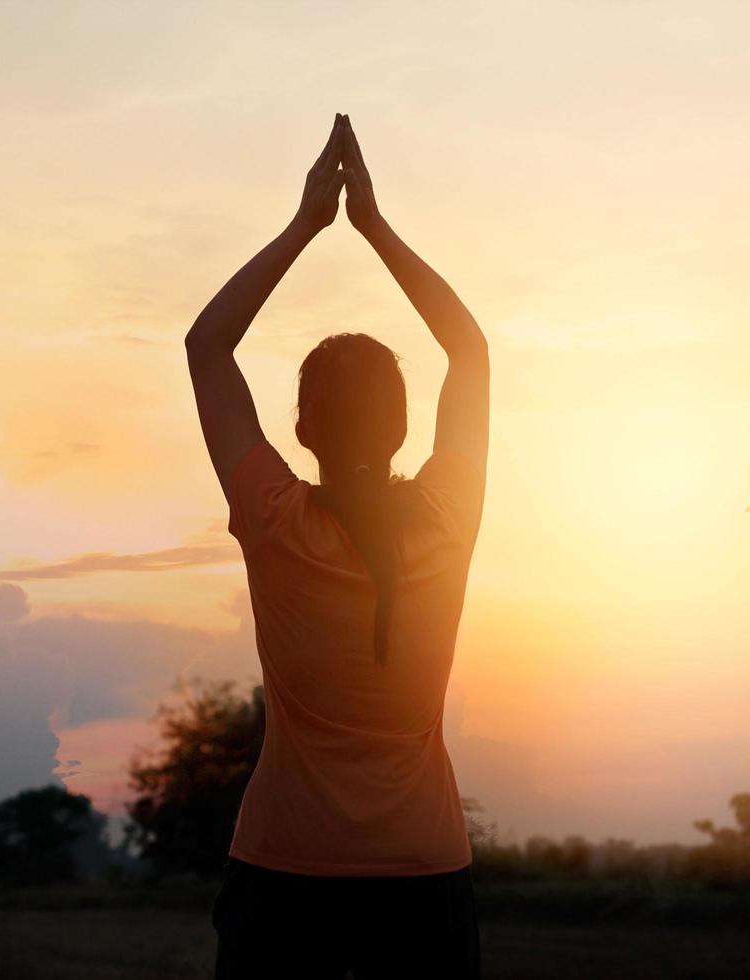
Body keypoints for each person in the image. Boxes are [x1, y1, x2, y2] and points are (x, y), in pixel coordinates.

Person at [185, 113, 488, 978]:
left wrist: (307, 225)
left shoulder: (277, 519)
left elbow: (208, 346)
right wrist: (374, 227)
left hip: (284, 877)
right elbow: (469, 351)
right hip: (425, 879)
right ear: (403, 427)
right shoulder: (447, 518)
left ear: (302, 427)